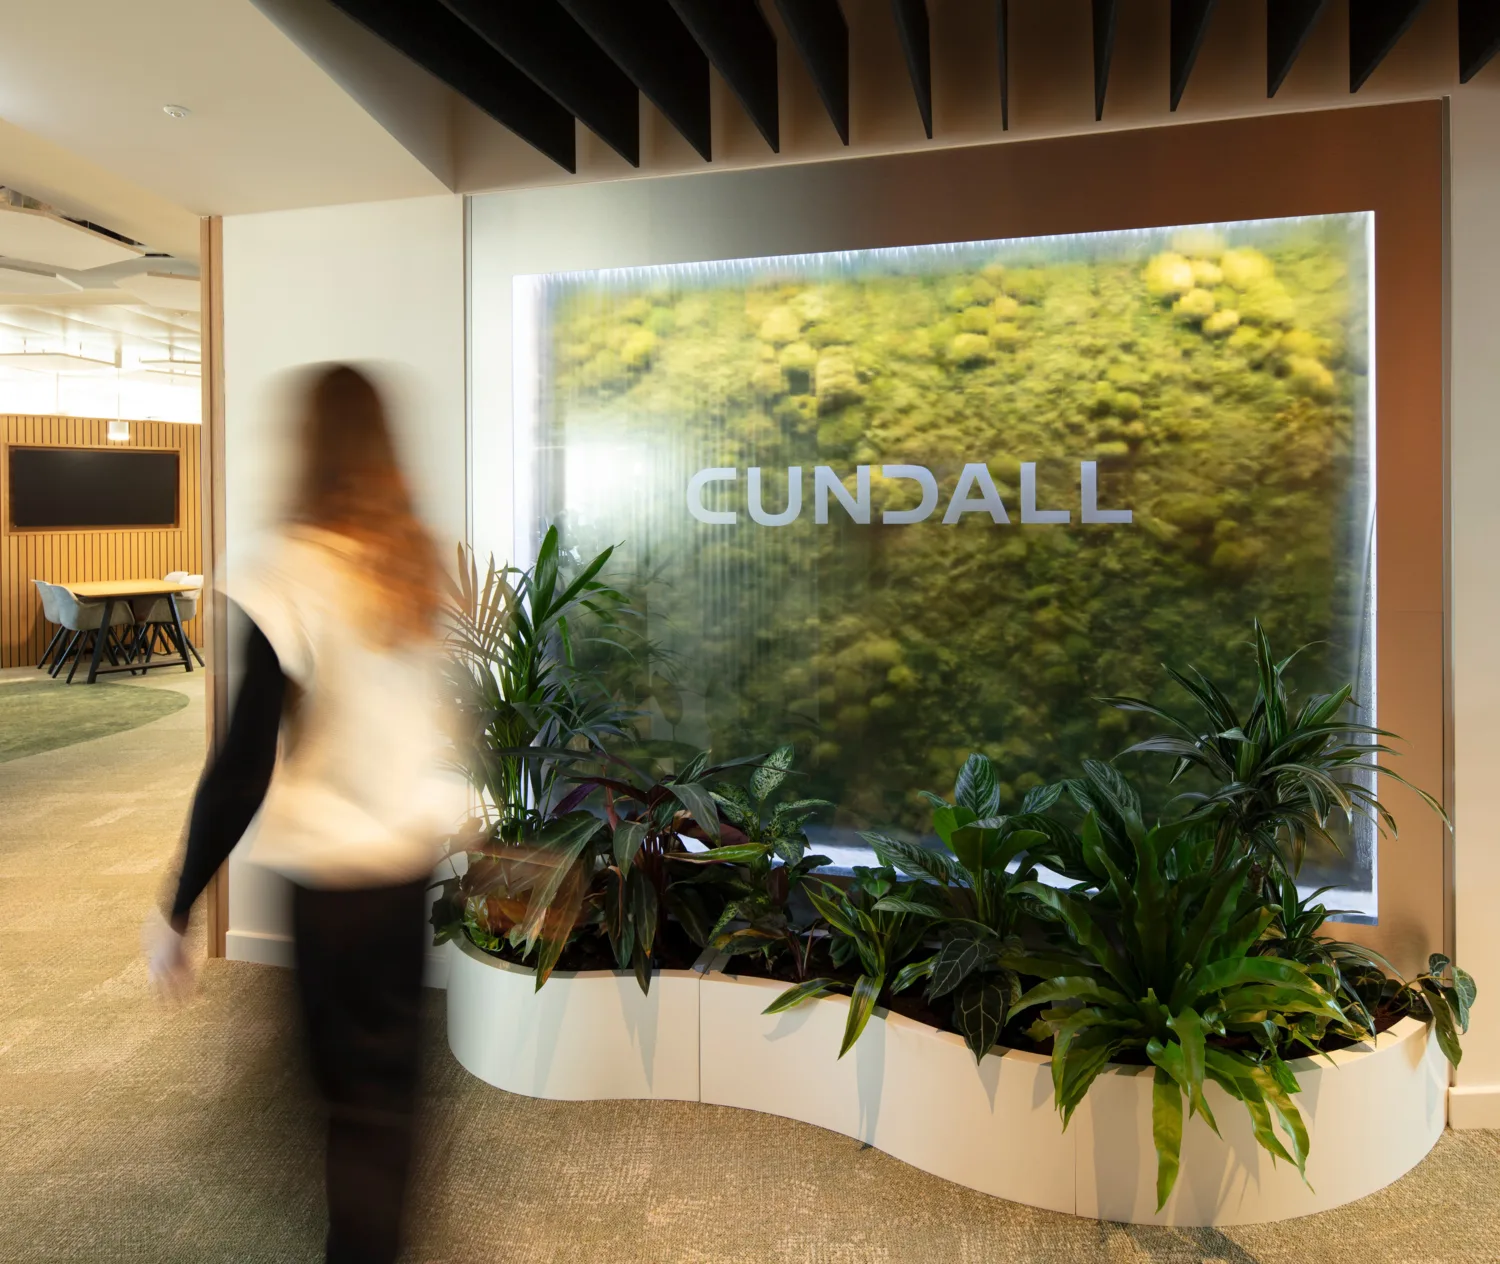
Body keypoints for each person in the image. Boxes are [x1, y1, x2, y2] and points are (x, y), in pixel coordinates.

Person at [144, 364, 462, 1264]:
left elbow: (242, 764)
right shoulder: (413, 561)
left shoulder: (282, 569)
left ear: (309, 446)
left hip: (333, 885)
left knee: (349, 1100)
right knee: (387, 1095)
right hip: (404, 870)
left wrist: (178, 902)